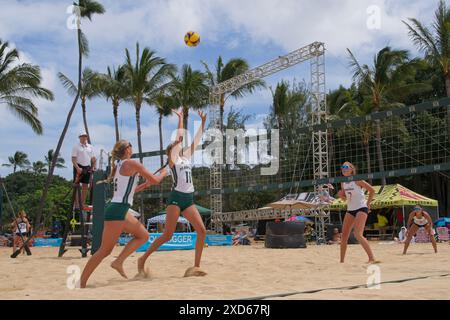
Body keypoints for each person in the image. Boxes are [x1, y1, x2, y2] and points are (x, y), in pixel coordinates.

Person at [79, 140, 166, 288]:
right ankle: (81, 283)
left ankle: (118, 261)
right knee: (104, 250)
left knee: (143, 236)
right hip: (117, 210)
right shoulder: (132, 163)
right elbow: (156, 180)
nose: (132, 147)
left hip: (119, 209)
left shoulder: (119, 165)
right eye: (130, 145)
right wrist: (166, 171)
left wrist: (144, 185)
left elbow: (130, 190)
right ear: (126, 150)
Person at [137, 109, 207, 278]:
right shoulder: (172, 161)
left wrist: (203, 122)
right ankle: (142, 259)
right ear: (171, 152)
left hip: (188, 199)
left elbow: (197, 140)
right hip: (176, 198)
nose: (179, 146)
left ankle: (195, 267)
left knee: (202, 231)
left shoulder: (186, 157)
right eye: (176, 146)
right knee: (167, 235)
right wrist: (181, 119)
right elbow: (179, 137)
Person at [338, 162, 378, 264]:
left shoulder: (357, 179)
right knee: (344, 236)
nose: (344, 169)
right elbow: (344, 199)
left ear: (352, 169)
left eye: (346, 167)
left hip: (361, 207)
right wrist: (340, 195)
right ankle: (342, 261)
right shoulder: (343, 183)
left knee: (357, 234)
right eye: (342, 167)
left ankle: (372, 258)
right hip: (351, 209)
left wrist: (368, 204)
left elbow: (372, 190)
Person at [72, 131, 97, 210]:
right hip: (78, 166)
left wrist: (94, 167)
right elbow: (73, 159)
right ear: (79, 137)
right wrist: (77, 168)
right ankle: (76, 204)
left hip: (87, 167)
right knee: (77, 185)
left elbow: (93, 159)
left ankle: (82, 203)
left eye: (85, 136)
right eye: (82, 136)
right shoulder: (76, 146)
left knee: (85, 185)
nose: (84, 137)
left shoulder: (90, 147)